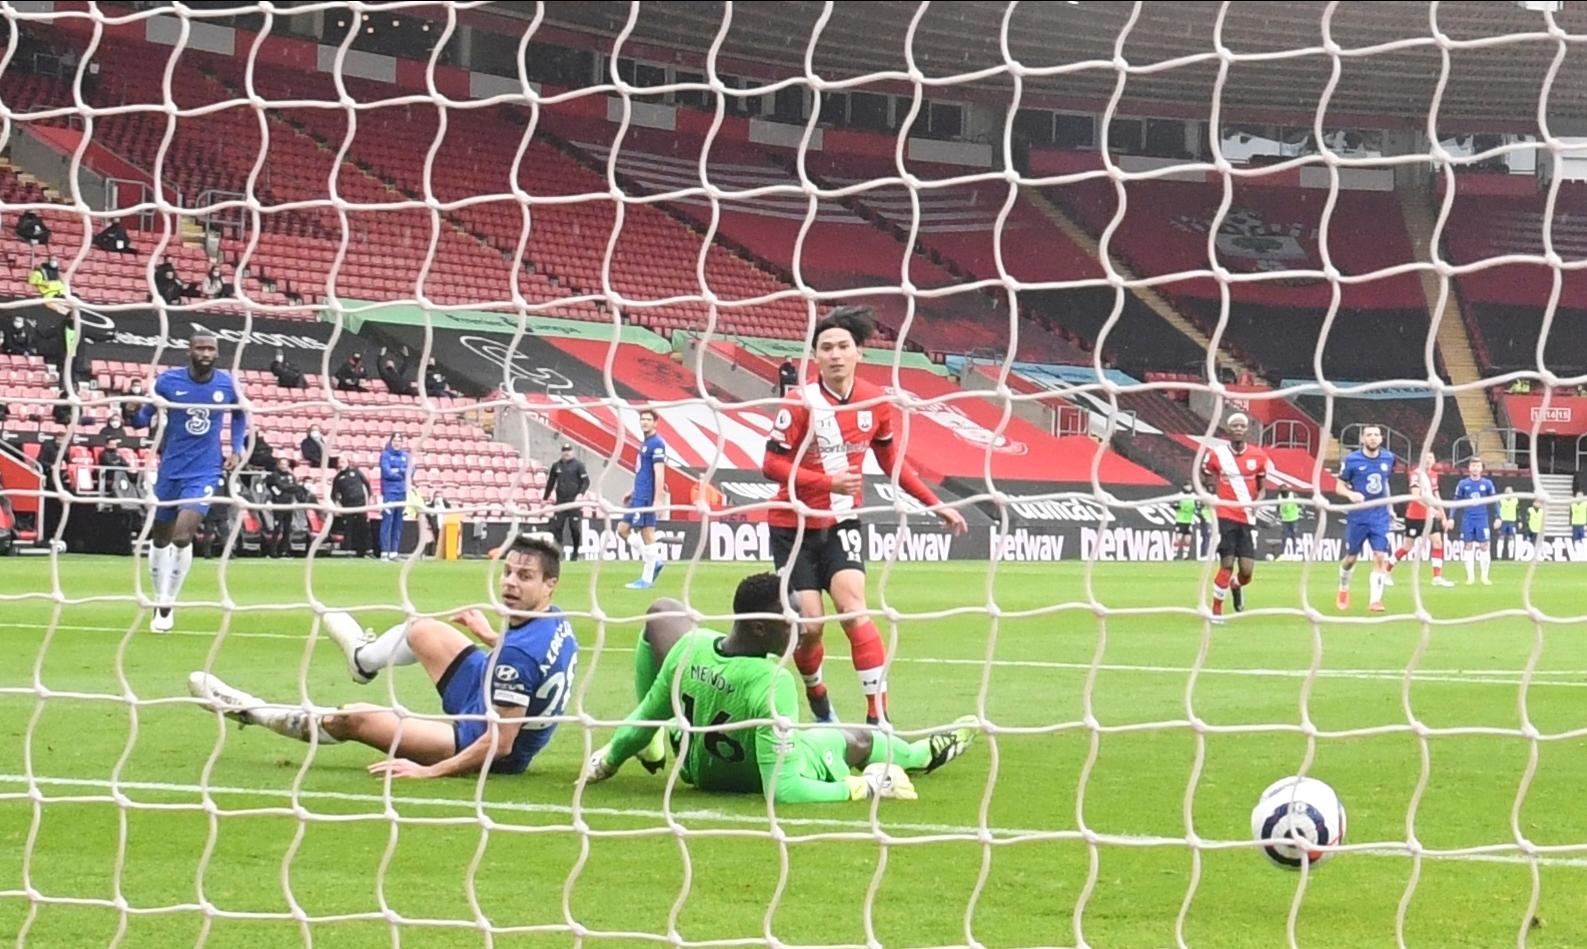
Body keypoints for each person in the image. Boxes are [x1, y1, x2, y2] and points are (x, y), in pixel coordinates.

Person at [188, 535, 578, 779]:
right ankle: (363, 660)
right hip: (489, 691)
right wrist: (489, 636)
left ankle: (254, 711)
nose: (510, 583)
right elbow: (525, 668)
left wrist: (428, 772)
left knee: (354, 718)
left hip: (481, 741)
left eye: (523, 577)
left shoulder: (517, 658)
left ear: (550, 584)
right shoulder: (553, 618)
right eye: (508, 572)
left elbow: (501, 743)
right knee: (422, 628)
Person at [582, 575, 977, 803]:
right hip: (752, 776)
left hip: (693, 768)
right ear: (759, 627)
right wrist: (864, 786)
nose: (801, 625)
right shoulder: (774, 682)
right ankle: (922, 754)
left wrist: (608, 762)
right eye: (789, 617)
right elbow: (784, 789)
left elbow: (645, 715)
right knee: (858, 738)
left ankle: (649, 748)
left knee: (663, 612)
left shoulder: (691, 647)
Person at [760, 306, 966, 725]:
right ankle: (818, 696)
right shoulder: (799, 403)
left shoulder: (877, 402)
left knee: (854, 609)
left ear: (858, 353)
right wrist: (825, 483)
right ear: (815, 357)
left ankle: (878, 718)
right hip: (792, 526)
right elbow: (770, 465)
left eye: (843, 346)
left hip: (842, 523)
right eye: (826, 348)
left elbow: (893, 463)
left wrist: (935, 503)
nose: (835, 355)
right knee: (811, 625)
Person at [128, 332, 247, 633]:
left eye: (211, 349)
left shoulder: (227, 384)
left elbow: (240, 415)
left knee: (182, 537)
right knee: (160, 539)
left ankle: (168, 604)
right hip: (170, 470)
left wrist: (236, 447)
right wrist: (132, 413)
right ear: (189, 351)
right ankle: (159, 598)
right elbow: (142, 419)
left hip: (205, 471)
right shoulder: (168, 382)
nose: (206, 353)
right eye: (201, 348)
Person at [1199, 412, 1272, 621]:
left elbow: (1262, 488)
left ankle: (1236, 585)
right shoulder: (1217, 454)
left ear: (1246, 429)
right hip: (1225, 515)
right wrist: (1210, 489)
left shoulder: (1259, 456)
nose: (1239, 428)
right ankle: (1216, 610)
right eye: (1235, 426)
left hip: (1247, 518)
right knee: (1227, 564)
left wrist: (1258, 501)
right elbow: (1204, 471)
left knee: (1247, 571)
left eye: (1242, 425)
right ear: (1229, 429)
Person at [1334, 425, 1397, 613]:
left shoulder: (1388, 458)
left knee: (1380, 556)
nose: (1373, 438)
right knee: (1351, 558)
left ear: (1381, 438)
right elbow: (1339, 486)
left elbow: (1385, 482)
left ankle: (1375, 601)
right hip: (1359, 516)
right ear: (1363, 439)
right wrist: (1350, 494)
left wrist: (1390, 506)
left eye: (1376, 435)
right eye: (1369, 435)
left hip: (1379, 515)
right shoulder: (1352, 460)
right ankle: (1343, 588)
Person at [616, 408, 669, 590]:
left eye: (648, 419)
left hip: (647, 496)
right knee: (622, 530)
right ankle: (654, 560)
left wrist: (658, 499)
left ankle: (646, 579)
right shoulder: (645, 443)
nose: (644, 422)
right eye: (642, 419)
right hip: (638, 494)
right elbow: (644, 471)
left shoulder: (657, 444)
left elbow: (659, 472)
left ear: (655, 423)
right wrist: (632, 490)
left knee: (648, 534)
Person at [1388, 452, 1454, 586]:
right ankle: (1386, 571)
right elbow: (1415, 496)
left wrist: (1443, 516)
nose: (1429, 460)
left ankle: (1437, 577)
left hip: (1429, 517)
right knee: (1407, 547)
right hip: (1415, 516)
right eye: (1426, 458)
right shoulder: (1415, 474)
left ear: (1434, 460)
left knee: (1438, 543)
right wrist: (1432, 510)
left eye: (1431, 458)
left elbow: (1436, 496)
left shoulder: (1434, 475)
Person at [1453, 458, 1498, 585]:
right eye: (1473, 466)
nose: (1475, 468)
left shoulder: (1487, 483)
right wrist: (1451, 517)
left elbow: (1494, 501)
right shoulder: (1463, 484)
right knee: (1468, 546)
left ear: (1481, 468)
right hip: (1468, 519)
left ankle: (1484, 577)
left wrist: (1498, 517)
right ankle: (1470, 577)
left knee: (1484, 546)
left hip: (1482, 519)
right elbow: (1456, 501)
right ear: (1469, 468)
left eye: (1477, 466)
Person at [543, 443, 589, 560]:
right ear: (561, 452)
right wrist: (545, 498)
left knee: (574, 528)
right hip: (561, 502)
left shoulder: (578, 465)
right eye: (564, 450)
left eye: (568, 450)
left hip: (574, 502)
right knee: (557, 527)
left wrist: (580, 493)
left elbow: (586, 481)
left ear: (572, 452)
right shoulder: (556, 466)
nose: (566, 452)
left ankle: (575, 552)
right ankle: (559, 552)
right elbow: (551, 483)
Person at [331, 457, 374, 558]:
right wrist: (338, 504)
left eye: (343, 462)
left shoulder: (356, 472)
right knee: (348, 529)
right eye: (339, 462)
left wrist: (370, 498)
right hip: (347, 507)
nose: (341, 464)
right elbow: (333, 495)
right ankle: (349, 551)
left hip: (360, 505)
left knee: (365, 528)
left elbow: (367, 484)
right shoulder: (337, 478)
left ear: (347, 463)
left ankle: (368, 550)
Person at [378, 433, 412, 560]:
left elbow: (411, 471)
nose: (397, 443)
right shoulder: (385, 455)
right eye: (395, 440)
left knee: (398, 523)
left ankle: (394, 552)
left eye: (399, 440)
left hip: (402, 492)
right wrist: (401, 473)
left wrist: (398, 471)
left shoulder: (406, 456)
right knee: (387, 521)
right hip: (389, 492)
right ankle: (384, 552)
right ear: (391, 441)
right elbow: (387, 472)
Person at [264, 457, 300, 558]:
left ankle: (284, 551)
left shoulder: (290, 476)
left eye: (286, 464)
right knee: (277, 528)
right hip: (278, 505)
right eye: (282, 464)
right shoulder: (274, 475)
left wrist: (288, 488)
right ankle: (273, 551)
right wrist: (288, 488)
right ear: (278, 465)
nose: (284, 466)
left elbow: (296, 487)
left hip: (289, 505)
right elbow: (280, 486)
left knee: (287, 529)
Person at [1173, 483, 1198, 561]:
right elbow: (1174, 504)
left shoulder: (1193, 496)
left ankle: (1185, 556)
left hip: (1189, 520)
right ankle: (1175, 554)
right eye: (1187, 485)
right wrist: (1176, 506)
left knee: (1188, 539)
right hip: (1180, 520)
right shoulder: (1180, 495)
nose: (1189, 487)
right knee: (1179, 538)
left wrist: (1197, 507)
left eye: (1190, 485)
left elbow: (1197, 505)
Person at [1277, 486, 1302, 560]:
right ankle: (1282, 554)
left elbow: (1300, 504)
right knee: (1284, 537)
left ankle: (1295, 553)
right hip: (1285, 520)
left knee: (1293, 536)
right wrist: (1278, 514)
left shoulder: (1293, 495)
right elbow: (1278, 506)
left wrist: (1299, 508)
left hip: (1293, 519)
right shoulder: (1279, 497)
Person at [1496, 487, 1520, 560]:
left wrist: (1519, 521)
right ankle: (1499, 556)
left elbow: (1518, 510)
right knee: (1501, 537)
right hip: (1503, 521)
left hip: (1512, 521)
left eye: (1510, 492)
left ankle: (1510, 556)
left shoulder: (1515, 500)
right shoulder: (1501, 500)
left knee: (1511, 538)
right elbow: (1497, 510)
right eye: (1507, 492)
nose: (1508, 494)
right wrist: (1497, 519)